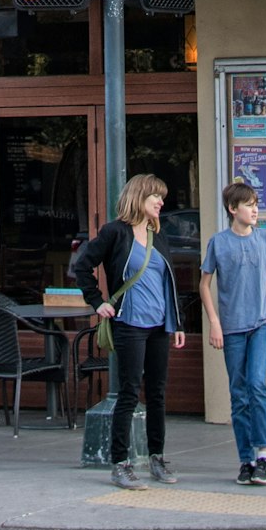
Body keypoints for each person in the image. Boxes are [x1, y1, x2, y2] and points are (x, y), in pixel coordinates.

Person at [71, 175, 184, 489]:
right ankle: (120, 463)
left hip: (160, 324)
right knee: (129, 393)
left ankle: (156, 457)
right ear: (139, 198)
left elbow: (168, 282)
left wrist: (177, 324)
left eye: (161, 198)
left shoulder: (157, 234)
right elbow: (82, 266)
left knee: (158, 393)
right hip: (130, 323)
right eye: (155, 198)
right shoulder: (115, 232)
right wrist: (98, 302)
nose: (161, 203)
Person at [202, 179, 266, 487]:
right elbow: (204, 285)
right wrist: (214, 322)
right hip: (232, 328)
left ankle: (264, 455)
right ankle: (245, 459)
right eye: (249, 205)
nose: (255, 210)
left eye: (255, 204)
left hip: (259, 324)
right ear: (232, 209)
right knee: (238, 394)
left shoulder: (264, 239)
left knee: (256, 385)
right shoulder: (218, 243)